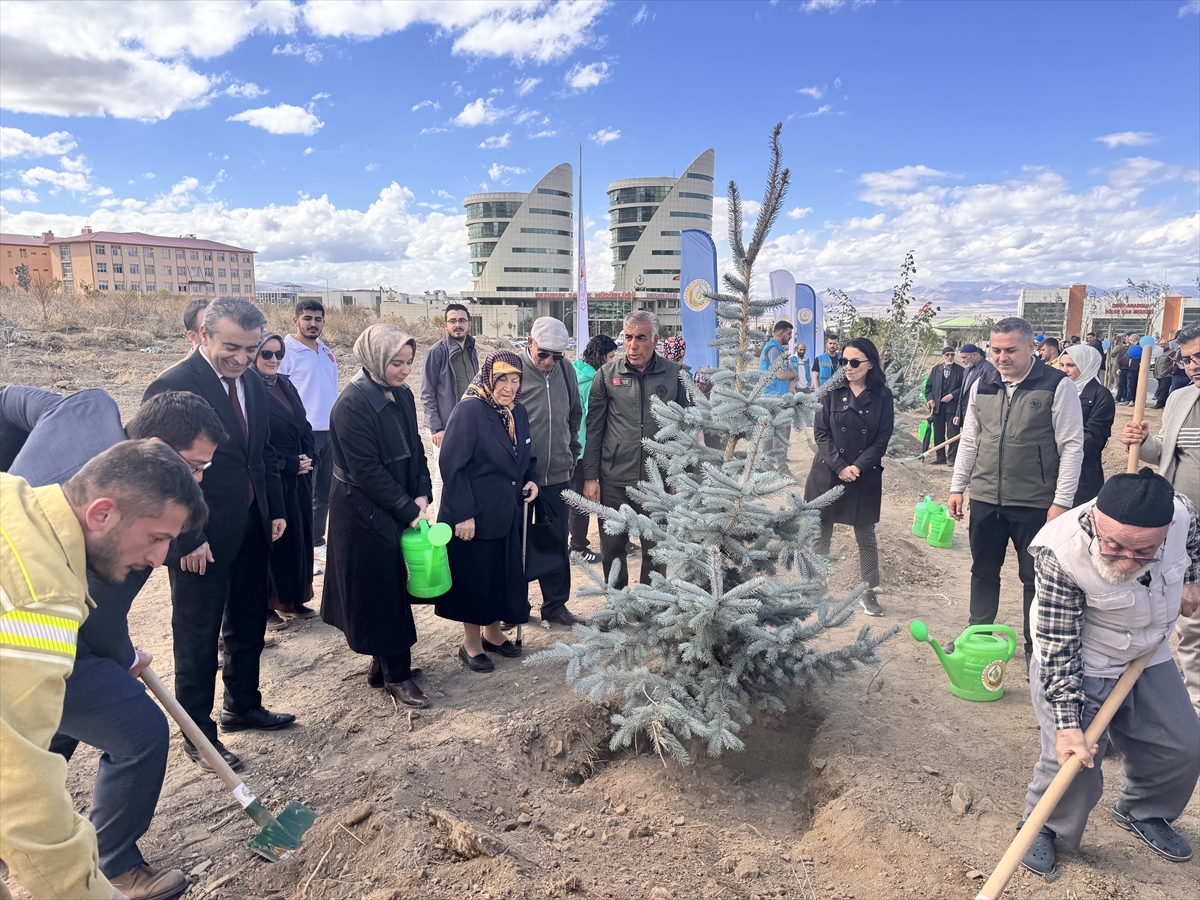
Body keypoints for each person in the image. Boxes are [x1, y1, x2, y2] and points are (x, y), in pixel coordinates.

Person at [2, 389, 227, 900]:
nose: (160, 559)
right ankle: (114, 865)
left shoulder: (21, 484)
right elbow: (20, 792)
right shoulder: (43, 604)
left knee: (49, 728)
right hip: (62, 647)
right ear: (103, 513)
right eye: (157, 539)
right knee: (136, 730)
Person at [1017, 470, 1200, 875]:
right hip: (1084, 658)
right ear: (1095, 520)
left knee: (1183, 744)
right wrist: (1068, 726)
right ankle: (1043, 827)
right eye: (1114, 546)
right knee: (1077, 761)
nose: (1127, 561)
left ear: (1165, 532)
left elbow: (1192, 539)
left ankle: (1143, 809)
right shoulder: (1061, 551)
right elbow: (1060, 647)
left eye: (1144, 551)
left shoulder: (1181, 512)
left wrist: (1190, 581)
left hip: (1147, 650)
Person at [143, 296, 294, 771]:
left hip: (251, 524)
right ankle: (199, 736)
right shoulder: (172, 385)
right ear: (203, 335)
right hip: (200, 536)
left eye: (251, 348)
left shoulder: (251, 382)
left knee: (248, 622)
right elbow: (158, 472)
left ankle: (242, 705)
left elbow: (260, 454)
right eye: (232, 347)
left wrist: (274, 508)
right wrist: (186, 538)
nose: (243, 358)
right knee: (198, 636)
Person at [947, 317, 1084, 670]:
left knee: (1034, 577)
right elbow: (970, 440)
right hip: (985, 497)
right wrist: (957, 487)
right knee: (983, 569)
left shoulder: (1056, 385)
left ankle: (1035, 649)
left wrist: (1061, 502)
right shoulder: (983, 384)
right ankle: (978, 636)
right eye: (995, 350)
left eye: (1010, 350)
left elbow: (1071, 446)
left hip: (1035, 502)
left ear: (1031, 348)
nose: (1001, 357)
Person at [321, 324, 432, 707]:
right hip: (361, 509)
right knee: (379, 590)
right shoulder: (351, 404)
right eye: (396, 363)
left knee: (389, 587)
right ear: (374, 359)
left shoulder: (401, 393)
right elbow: (367, 472)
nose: (405, 370)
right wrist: (408, 509)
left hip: (395, 501)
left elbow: (415, 447)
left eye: (409, 362)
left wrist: (422, 492)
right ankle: (396, 676)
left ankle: (382, 666)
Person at [436, 350, 539, 671]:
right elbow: (452, 465)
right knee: (475, 579)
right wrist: (463, 514)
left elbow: (526, 454)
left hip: (507, 512)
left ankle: (493, 633)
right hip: (475, 514)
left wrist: (531, 479)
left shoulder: (517, 412)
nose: (509, 387)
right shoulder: (469, 410)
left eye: (516, 380)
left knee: (501, 576)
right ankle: (471, 643)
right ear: (488, 378)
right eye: (502, 379)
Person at [1121, 320, 1200, 714]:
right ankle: (1195, 702)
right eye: (1187, 360)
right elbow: (1166, 455)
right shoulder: (1180, 398)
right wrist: (1144, 443)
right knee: (1189, 618)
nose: (1193, 366)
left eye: (1199, 356)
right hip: (1183, 526)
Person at [582, 311, 689, 589]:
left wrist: (678, 475)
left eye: (640, 338)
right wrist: (591, 477)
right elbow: (594, 429)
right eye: (628, 337)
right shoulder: (607, 375)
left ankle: (651, 605)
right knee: (612, 550)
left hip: (658, 482)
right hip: (614, 480)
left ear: (655, 340)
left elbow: (686, 429)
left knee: (655, 552)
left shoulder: (674, 375)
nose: (633, 346)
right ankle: (617, 605)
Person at [804, 337, 895, 617]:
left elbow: (882, 438)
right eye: (844, 361)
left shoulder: (883, 396)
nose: (848, 367)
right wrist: (840, 465)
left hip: (863, 476)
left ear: (871, 364)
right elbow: (821, 433)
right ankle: (817, 587)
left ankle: (868, 592)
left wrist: (858, 466)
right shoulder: (830, 391)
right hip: (828, 473)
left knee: (866, 537)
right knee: (821, 534)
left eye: (855, 362)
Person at [518, 318, 585, 626]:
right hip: (519, 476)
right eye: (543, 353)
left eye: (557, 356)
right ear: (530, 343)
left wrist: (572, 451)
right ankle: (515, 606)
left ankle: (555, 606)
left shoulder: (566, 370)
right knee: (516, 542)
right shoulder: (511, 368)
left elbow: (574, 413)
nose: (549, 362)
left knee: (556, 540)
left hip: (557, 472)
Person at [253, 334, 316, 627]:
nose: (273, 360)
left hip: (298, 474)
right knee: (273, 539)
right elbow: (255, 443)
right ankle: (266, 605)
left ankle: (291, 599)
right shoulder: (248, 389)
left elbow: (304, 424)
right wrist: (289, 463)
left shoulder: (285, 384)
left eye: (278, 354)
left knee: (297, 537)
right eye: (266, 354)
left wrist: (308, 457)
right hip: (271, 475)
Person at [277, 299, 338, 570]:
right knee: (303, 493)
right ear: (296, 320)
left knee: (324, 493)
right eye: (307, 318)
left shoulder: (326, 351)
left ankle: (315, 542)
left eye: (318, 319)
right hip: (304, 434)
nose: (313, 324)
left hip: (329, 432)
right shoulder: (285, 352)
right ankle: (300, 550)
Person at [421, 303, 479, 516]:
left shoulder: (471, 349)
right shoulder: (436, 352)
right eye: (452, 321)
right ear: (445, 325)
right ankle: (441, 521)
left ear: (469, 324)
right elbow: (427, 393)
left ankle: (461, 515)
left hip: (470, 423)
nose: (457, 325)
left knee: (467, 470)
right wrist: (436, 429)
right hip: (445, 427)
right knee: (443, 474)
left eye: (461, 320)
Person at [570, 334, 618, 565]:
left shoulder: (573, 372)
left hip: (572, 447)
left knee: (576, 498)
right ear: (601, 356)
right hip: (585, 450)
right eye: (611, 357)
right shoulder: (593, 383)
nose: (613, 361)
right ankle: (578, 549)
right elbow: (595, 421)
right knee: (582, 501)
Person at [1058, 344, 1115, 508]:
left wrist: (1060, 449)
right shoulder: (1057, 389)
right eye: (1061, 365)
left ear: (1086, 365)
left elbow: (1094, 436)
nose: (1064, 370)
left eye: (1070, 365)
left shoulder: (1101, 395)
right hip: (1051, 469)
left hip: (1083, 470)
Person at [759, 320, 799, 473]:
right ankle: (781, 468)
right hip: (774, 396)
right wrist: (793, 375)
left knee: (770, 432)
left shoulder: (778, 349)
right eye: (789, 333)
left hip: (775, 395)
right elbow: (781, 374)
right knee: (781, 433)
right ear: (780, 333)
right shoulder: (773, 349)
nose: (790, 337)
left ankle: (768, 466)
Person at [923, 347, 964, 465]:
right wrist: (930, 399)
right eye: (947, 354)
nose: (950, 357)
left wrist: (953, 395)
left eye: (952, 354)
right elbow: (929, 388)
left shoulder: (960, 370)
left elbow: (964, 387)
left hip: (953, 407)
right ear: (942, 356)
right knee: (938, 432)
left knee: (953, 433)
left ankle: (952, 458)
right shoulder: (936, 370)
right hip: (938, 407)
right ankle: (940, 457)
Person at [953, 343, 993, 429]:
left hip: (978, 416)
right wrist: (958, 413)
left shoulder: (988, 369)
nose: (962, 361)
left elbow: (988, 398)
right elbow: (963, 393)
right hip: (966, 413)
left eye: (964, 358)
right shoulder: (967, 369)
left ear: (974, 355)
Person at [1115, 333, 1138, 405]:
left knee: (1129, 385)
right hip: (1123, 368)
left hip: (1131, 369)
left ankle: (1128, 399)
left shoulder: (1137, 348)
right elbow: (1119, 358)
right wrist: (1119, 367)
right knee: (1121, 384)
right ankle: (1119, 398)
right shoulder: (1125, 348)